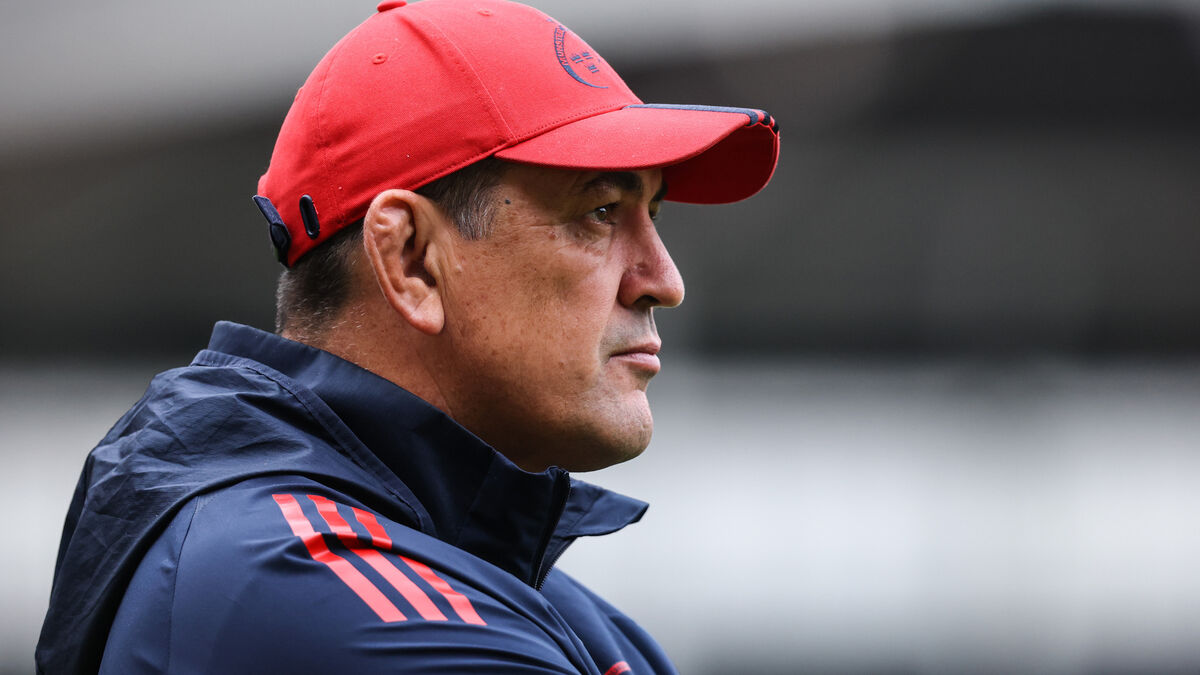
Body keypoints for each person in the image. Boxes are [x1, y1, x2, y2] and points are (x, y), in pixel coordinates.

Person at [36, 0, 779, 672]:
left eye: (654, 214)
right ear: (412, 260)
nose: (663, 280)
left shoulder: (542, 605)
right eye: (601, 212)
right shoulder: (302, 582)